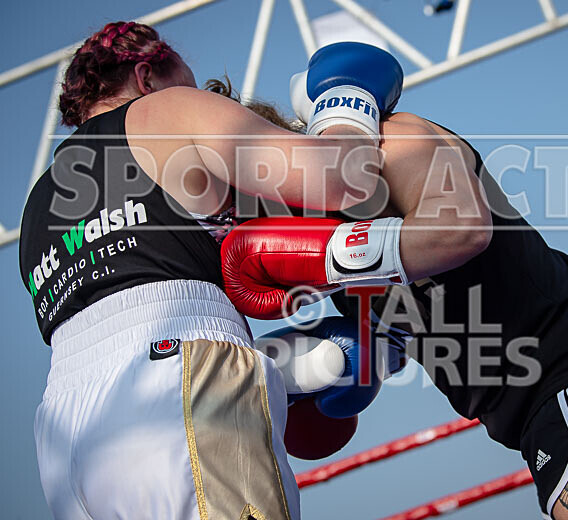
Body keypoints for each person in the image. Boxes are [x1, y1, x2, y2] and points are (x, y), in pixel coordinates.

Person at [221, 70, 568, 518]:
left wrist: (335, 259)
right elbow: (418, 329)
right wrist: (349, 361)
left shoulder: (391, 142)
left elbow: (460, 228)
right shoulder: (329, 260)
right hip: (534, 412)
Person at [18, 22, 403, 520]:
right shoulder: (163, 111)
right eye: (189, 81)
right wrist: (347, 99)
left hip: (62, 442)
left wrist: (282, 373)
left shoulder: (36, 207)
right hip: (179, 384)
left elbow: (125, 334)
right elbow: (340, 178)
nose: (198, 95)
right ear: (146, 76)